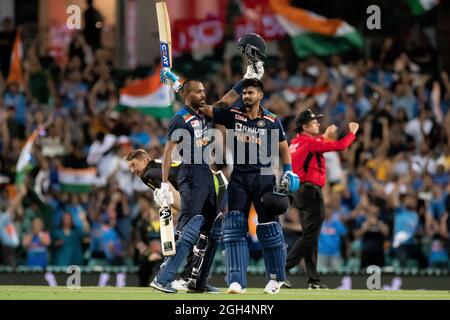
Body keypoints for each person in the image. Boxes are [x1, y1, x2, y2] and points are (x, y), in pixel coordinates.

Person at [196, 77, 300, 294]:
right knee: (234, 228)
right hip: (239, 177)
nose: (246, 96)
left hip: (264, 177)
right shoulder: (234, 114)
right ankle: (236, 282)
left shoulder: (272, 119)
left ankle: (275, 278)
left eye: (250, 92)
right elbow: (206, 110)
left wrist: (288, 169)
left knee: (269, 228)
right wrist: (234, 88)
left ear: (260, 95)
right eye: (244, 93)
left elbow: (283, 147)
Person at [286, 109, 359, 289]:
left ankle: (313, 280)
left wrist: (325, 136)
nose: (318, 124)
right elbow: (339, 146)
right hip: (311, 193)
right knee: (310, 236)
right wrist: (352, 134)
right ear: (305, 126)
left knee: (310, 237)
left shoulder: (295, 143)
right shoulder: (310, 143)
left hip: (299, 192)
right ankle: (280, 271)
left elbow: (315, 147)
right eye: (314, 122)